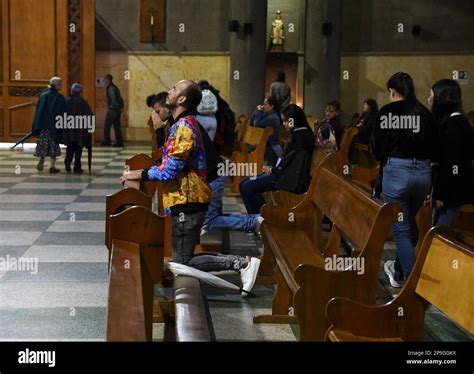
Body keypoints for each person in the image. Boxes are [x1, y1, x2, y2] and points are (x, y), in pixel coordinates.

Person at [121, 80, 261, 296]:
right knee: (182, 261)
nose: (169, 91)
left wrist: (139, 174)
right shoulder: (182, 124)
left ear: (182, 99)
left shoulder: (184, 128)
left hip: (188, 201)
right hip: (185, 200)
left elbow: (169, 171)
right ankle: (240, 264)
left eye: (174, 89)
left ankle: (241, 264)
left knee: (182, 263)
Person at [371, 72, 438, 288]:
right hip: (423, 174)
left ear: (392, 91)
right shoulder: (425, 113)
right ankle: (398, 270)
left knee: (400, 228)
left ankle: (412, 284)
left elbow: (377, 149)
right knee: (407, 223)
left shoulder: (388, 112)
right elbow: (435, 147)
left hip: (397, 172)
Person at [240, 104, 314, 215]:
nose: (284, 124)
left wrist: (273, 170)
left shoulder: (301, 137)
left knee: (248, 187)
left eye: (286, 121)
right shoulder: (298, 133)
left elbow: (293, 166)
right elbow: (287, 160)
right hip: (283, 174)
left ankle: (263, 219)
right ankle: (258, 218)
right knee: (243, 183)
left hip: (288, 180)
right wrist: (273, 169)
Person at [428, 79, 474, 226]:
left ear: (442, 98)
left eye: (431, 95)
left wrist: (441, 194)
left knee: (440, 236)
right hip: (451, 189)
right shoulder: (455, 121)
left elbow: (452, 164)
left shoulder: (453, 124)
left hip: (452, 192)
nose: (429, 99)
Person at [32, 77, 66, 173]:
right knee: (53, 146)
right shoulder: (59, 97)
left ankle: (42, 158)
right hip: (54, 126)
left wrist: (37, 125)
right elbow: (62, 112)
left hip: (43, 126)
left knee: (43, 144)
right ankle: (52, 166)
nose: (61, 86)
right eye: (60, 84)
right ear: (57, 85)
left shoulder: (43, 95)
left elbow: (39, 111)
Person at [63, 83, 93, 174]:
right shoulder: (83, 102)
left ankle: (67, 164)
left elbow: (62, 114)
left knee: (70, 147)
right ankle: (77, 167)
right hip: (80, 130)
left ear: (72, 90)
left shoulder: (67, 101)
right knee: (78, 149)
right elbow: (89, 116)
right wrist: (89, 130)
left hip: (70, 129)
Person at [251, 96, 282, 165]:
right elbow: (252, 123)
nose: (263, 106)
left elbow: (257, 124)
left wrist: (258, 111)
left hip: (271, 148)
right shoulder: (267, 115)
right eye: (263, 104)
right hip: (266, 146)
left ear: (271, 107)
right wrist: (257, 111)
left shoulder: (273, 117)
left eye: (265, 104)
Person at [103, 74, 124, 147]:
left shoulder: (111, 88)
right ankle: (119, 142)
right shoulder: (113, 87)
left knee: (106, 126)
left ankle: (107, 141)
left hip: (113, 110)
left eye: (105, 79)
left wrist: (116, 106)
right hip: (117, 110)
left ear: (108, 80)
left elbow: (114, 98)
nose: (104, 81)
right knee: (117, 126)